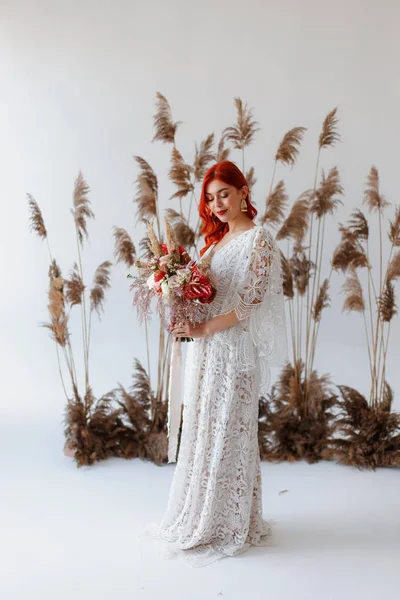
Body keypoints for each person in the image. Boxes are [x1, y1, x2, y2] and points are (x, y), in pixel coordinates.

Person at [140, 160, 288, 567]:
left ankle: (230, 521)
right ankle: (203, 515)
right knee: (206, 428)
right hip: (206, 354)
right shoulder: (215, 243)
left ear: (243, 192)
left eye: (224, 193)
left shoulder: (258, 240)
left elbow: (250, 303)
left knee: (230, 430)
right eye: (210, 197)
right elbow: (207, 294)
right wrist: (181, 307)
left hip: (233, 351)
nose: (217, 203)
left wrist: (205, 330)